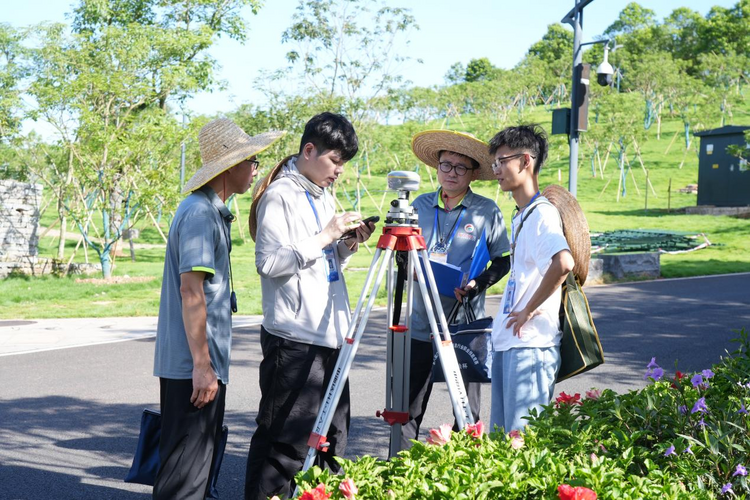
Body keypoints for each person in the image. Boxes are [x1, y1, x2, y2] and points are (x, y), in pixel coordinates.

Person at [245, 112, 375, 500]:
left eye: (343, 164)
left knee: (332, 440)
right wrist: (326, 235)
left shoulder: (321, 192)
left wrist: (347, 242)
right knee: (284, 445)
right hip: (295, 342)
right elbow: (268, 264)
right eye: (335, 161)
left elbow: (324, 261)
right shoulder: (280, 195)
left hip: (331, 336)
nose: (339, 171)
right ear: (309, 150)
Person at [152, 118, 283, 500]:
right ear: (230, 167)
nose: (255, 169)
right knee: (185, 478)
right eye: (251, 161)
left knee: (195, 469)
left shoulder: (212, 212)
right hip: (192, 366)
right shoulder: (199, 214)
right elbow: (190, 292)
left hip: (201, 363)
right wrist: (202, 367)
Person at [402, 130, 511, 449]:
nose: (451, 173)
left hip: (465, 327)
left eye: (460, 167)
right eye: (446, 165)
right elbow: (402, 257)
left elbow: (502, 262)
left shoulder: (486, 210)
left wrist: (477, 286)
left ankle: (467, 471)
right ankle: (402, 469)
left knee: (467, 412)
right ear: (436, 167)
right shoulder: (418, 206)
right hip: (421, 323)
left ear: (473, 173)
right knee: (408, 408)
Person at [487, 124, 575, 433]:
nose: (496, 169)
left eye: (502, 161)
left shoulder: (541, 214)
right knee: (502, 443)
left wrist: (528, 309)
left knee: (523, 444)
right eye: (494, 162)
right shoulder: (521, 214)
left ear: (526, 161)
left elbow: (563, 262)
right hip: (511, 342)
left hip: (531, 346)